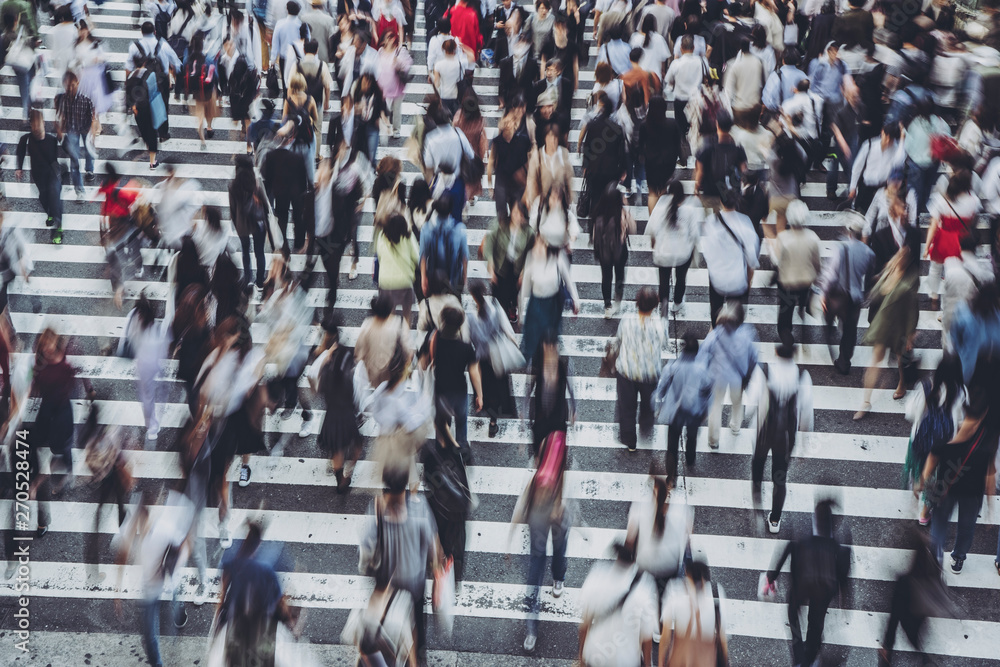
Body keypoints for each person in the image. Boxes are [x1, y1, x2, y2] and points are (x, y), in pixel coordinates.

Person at [916, 354, 1000, 575]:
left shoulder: (949, 438)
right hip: (972, 494)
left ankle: (935, 558)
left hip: (945, 488)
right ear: (984, 414)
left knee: (939, 524)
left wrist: (922, 481)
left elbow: (933, 458)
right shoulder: (987, 443)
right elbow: (990, 476)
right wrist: (990, 507)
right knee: (966, 528)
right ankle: (958, 558)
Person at [360, 461, 442, 666]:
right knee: (415, 625)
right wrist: (437, 574)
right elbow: (434, 547)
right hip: (415, 582)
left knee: (388, 625)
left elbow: (365, 552)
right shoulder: (419, 507)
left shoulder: (376, 509)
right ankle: (416, 659)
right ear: (405, 482)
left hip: (388, 583)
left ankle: (391, 656)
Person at [763, 499, 851, 666]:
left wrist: (771, 577)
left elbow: (788, 548)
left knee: (793, 614)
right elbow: (843, 577)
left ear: (815, 519)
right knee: (816, 623)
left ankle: (799, 657)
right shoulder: (839, 547)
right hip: (825, 590)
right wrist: (845, 601)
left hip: (802, 586)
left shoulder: (802, 540)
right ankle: (809, 657)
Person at [511, 423, 570, 652]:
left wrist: (557, 505)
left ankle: (558, 576)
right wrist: (508, 542)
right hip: (539, 520)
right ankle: (531, 627)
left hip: (556, 515)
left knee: (557, 550)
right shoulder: (534, 483)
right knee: (536, 567)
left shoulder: (558, 449)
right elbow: (519, 511)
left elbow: (562, 478)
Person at [746, 342, 814, 533]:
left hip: (763, 432)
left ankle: (757, 508)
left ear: (776, 352)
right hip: (786, 437)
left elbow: (750, 403)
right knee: (780, 477)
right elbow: (806, 414)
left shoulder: (764, 372)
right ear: (795, 354)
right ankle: (775, 520)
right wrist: (804, 445)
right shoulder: (802, 377)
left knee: (757, 469)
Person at [855, 243, 921, 418]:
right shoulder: (888, 271)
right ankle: (866, 401)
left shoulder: (910, 281)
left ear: (907, 261)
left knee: (900, 358)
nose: (899, 258)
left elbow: (912, 309)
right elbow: (876, 294)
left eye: (902, 256)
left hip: (899, 326)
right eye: (899, 255)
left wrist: (910, 334)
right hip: (884, 325)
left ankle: (902, 382)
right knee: (874, 362)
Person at [904, 355, 966, 526]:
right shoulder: (961, 393)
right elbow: (962, 422)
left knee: (920, 470)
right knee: (937, 478)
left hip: (921, 442)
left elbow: (910, 413)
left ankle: (917, 488)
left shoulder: (925, 386)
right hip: (943, 446)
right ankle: (925, 513)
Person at [577, 542, 659, 667]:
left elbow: (584, 626)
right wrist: (647, 664)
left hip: (595, 656)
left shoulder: (596, 579)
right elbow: (646, 638)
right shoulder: (644, 590)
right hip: (627, 660)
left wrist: (581, 657)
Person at [419, 305, 483, 464]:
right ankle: (462, 452)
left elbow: (423, 365)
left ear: (443, 321)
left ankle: (442, 456)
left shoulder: (433, 340)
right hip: (460, 390)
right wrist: (480, 395)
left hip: (441, 391)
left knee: (442, 426)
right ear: (460, 325)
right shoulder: (466, 347)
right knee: (461, 423)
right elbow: (474, 373)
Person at [878, 532, 953, 666]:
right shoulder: (931, 568)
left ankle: (923, 660)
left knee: (912, 636)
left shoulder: (905, 582)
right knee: (916, 634)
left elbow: (894, 616)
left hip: (910, 614)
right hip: (923, 611)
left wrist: (887, 644)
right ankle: (922, 657)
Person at [652, 333, 713, 485]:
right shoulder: (702, 370)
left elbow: (661, 389)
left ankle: (671, 477)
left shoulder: (672, 367)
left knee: (672, 444)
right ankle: (690, 459)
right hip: (694, 410)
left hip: (675, 410)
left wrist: (658, 406)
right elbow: (707, 391)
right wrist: (706, 410)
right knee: (691, 436)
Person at [819, 212, 875, 376]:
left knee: (828, 317)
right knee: (850, 332)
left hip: (838, 295)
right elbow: (869, 277)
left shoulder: (841, 248)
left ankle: (830, 332)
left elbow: (831, 275)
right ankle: (844, 362)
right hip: (855, 298)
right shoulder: (868, 253)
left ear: (849, 231)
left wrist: (823, 294)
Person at [613, 288, 668, 451]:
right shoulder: (659, 324)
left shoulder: (627, 320)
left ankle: (630, 441)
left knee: (626, 407)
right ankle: (645, 427)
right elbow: (664, 342)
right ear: (655, 305)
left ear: (637, 303)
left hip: (627, 370)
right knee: (647, 404)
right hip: (649, 373)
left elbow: (619, 339)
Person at [699, 300, 758, 449]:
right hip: (738, 378)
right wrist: (748, 375)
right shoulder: (747, 335)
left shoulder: (714, 336)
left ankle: (713, 440)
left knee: (715, 406)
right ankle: (735, 426)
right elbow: (754, 357)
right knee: (737, 402)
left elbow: (702, 356)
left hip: (717, 377)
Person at [310, 326, 363, 492]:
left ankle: (340, 479)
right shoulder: (349, 378)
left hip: (332, 415)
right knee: (357, 443)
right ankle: (348, 472)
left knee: (336, 449)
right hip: (347, 415)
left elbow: (312, 377)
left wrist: (326, 357)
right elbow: (358, 397)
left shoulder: (325, 374)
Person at [702, 188, 760, 326]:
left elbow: (706, 252)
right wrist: (749, 281)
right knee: (736, 318)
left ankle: (716, 330)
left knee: (716, 311)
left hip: (717, 278)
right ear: (736, 202)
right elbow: (751, 259)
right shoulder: (745, 223)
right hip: (737, 280)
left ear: (721, 201)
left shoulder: (711, 222)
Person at [468, 281, 518, 437]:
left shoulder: (471, 318)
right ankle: (493, 423)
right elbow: (507, 330)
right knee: (498, 391)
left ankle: (485, 407)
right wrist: (513, 342)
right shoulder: (495, 308)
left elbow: (468, 339)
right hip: (497, 358)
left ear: (473, 297)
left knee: (487, 392)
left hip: (482, 361)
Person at [926, 169, 981, 311]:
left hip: (943, 238)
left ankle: (933, 296)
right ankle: (951, 301)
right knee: (955, 271)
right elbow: (973, 221)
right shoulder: (974, 200)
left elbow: (933, 225)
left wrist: (927, 246)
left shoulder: (941, 200)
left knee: (935, 269)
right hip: (961, 241)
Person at [646, 179, 701, 318]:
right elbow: (694, 234)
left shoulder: (660, 207)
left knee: (663, 281)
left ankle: (663, 307)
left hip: (663, 252)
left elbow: (652, 229)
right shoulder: (689, 210)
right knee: (681, 278)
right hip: (683, 253)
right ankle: (677, 302)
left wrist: (654, 244)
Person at [519, 241, 579, 366]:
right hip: (536, 305)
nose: (537, 247)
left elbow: (568, 280)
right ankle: (537, 363)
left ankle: (549, 363)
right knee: (535, 337)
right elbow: (524, 290)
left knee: (551, 338)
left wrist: (575, 300)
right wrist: (521, 314)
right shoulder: (531, 260)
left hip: (552, 306)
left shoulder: (558, 259)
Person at [659, 559, 728, 666]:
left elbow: (665, 637)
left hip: (680, 660)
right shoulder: (716, 593)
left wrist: (660, 662)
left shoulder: (675, 591)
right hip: (706, 661)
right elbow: (722, 639)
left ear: (687, 574)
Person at [773, 200, 821, 348]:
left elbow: (778, 261)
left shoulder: (783, 238)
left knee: (785, 316)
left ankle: (787, 337)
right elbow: (817, 263)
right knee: (803, 298)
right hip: (805, 282)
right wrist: (816, 277)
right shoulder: (813, 237)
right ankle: (802, 307)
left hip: (787, 284)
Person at [125, 293, 169, 443]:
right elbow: (164, 345)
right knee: (157, 392)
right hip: (154, 363)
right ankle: (152, 424)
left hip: (143, 365)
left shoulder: (133, 320)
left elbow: (129, 340)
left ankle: (151, 425)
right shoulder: (153, 327)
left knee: (147, 396)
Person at [15, 110, 63, 244]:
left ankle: (58, 228)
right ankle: (51, 214)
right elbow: (20, 151)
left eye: (39, 125)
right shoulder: (26, 139)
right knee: (43, 197)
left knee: (54, 198)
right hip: (38, 175)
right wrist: (19, 168)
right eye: (35, 126)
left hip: (52, 174)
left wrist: (61, 135)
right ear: (31, 125)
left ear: (43, 123)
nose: (37, 129)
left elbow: (61, 153)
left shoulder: (52, 139)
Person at [482, 199, 534, 323]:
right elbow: (489, 245)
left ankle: (512, 307)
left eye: (520, 214)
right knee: (498, 292)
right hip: (501, 263)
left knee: (513, 291)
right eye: (515, 213)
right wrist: (490, 267)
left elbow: (531, 254)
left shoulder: (529, 232)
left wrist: (524, 272)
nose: (517, 217)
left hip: (517, 267)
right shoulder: (500, 225)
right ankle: (498, 317)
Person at [592, 182, 635, 318]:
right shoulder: (622, 214)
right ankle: (617, 301)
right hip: (620, 251)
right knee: (619, 276)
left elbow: (594, 236)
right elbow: (633, 230)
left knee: (606, 276)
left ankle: (607, 306)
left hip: (604, 252)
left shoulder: (599, 215)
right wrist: (627, 209)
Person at [229, 155, 269, 291]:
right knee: (259, 252)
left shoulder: (233, 186)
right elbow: (266, 204)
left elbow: (232, 209)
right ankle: (260, 281)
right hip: (258, 223)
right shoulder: (256, 184)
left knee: (245, 251)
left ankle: (248, 278)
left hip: (242, 225)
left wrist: (236, 224)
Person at [55, 71, 97, 199]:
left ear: (77, 83)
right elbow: (58, 116)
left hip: (85, 128)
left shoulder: (86, 97)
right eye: (67, 86)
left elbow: (93, 116)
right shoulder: (62, 98)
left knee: (89, 150)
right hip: (72, 130)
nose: (70, 89)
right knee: (74, 161)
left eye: (72, 85)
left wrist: (93, 132)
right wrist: (60, 132)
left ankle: (89, 169)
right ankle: (80, 191)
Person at [849, 123, 906, 216]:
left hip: (882, 190)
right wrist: (853, 187)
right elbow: (857, 167)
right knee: (860, 215)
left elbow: (899, 162)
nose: (887, 141)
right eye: (886, 137)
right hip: (866, 188)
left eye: (891, 139)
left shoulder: (896, 149)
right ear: (882, 132)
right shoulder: (869, 145)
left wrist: (902, 140)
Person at [375, 214, 419, 322]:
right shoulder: (408, 236)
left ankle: (392, 330)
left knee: (390, 313)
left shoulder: (382, 236)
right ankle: (406, 329)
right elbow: (416, 257)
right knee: (407, 312)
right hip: (404, 280)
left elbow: (379, 255)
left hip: (385, 281)